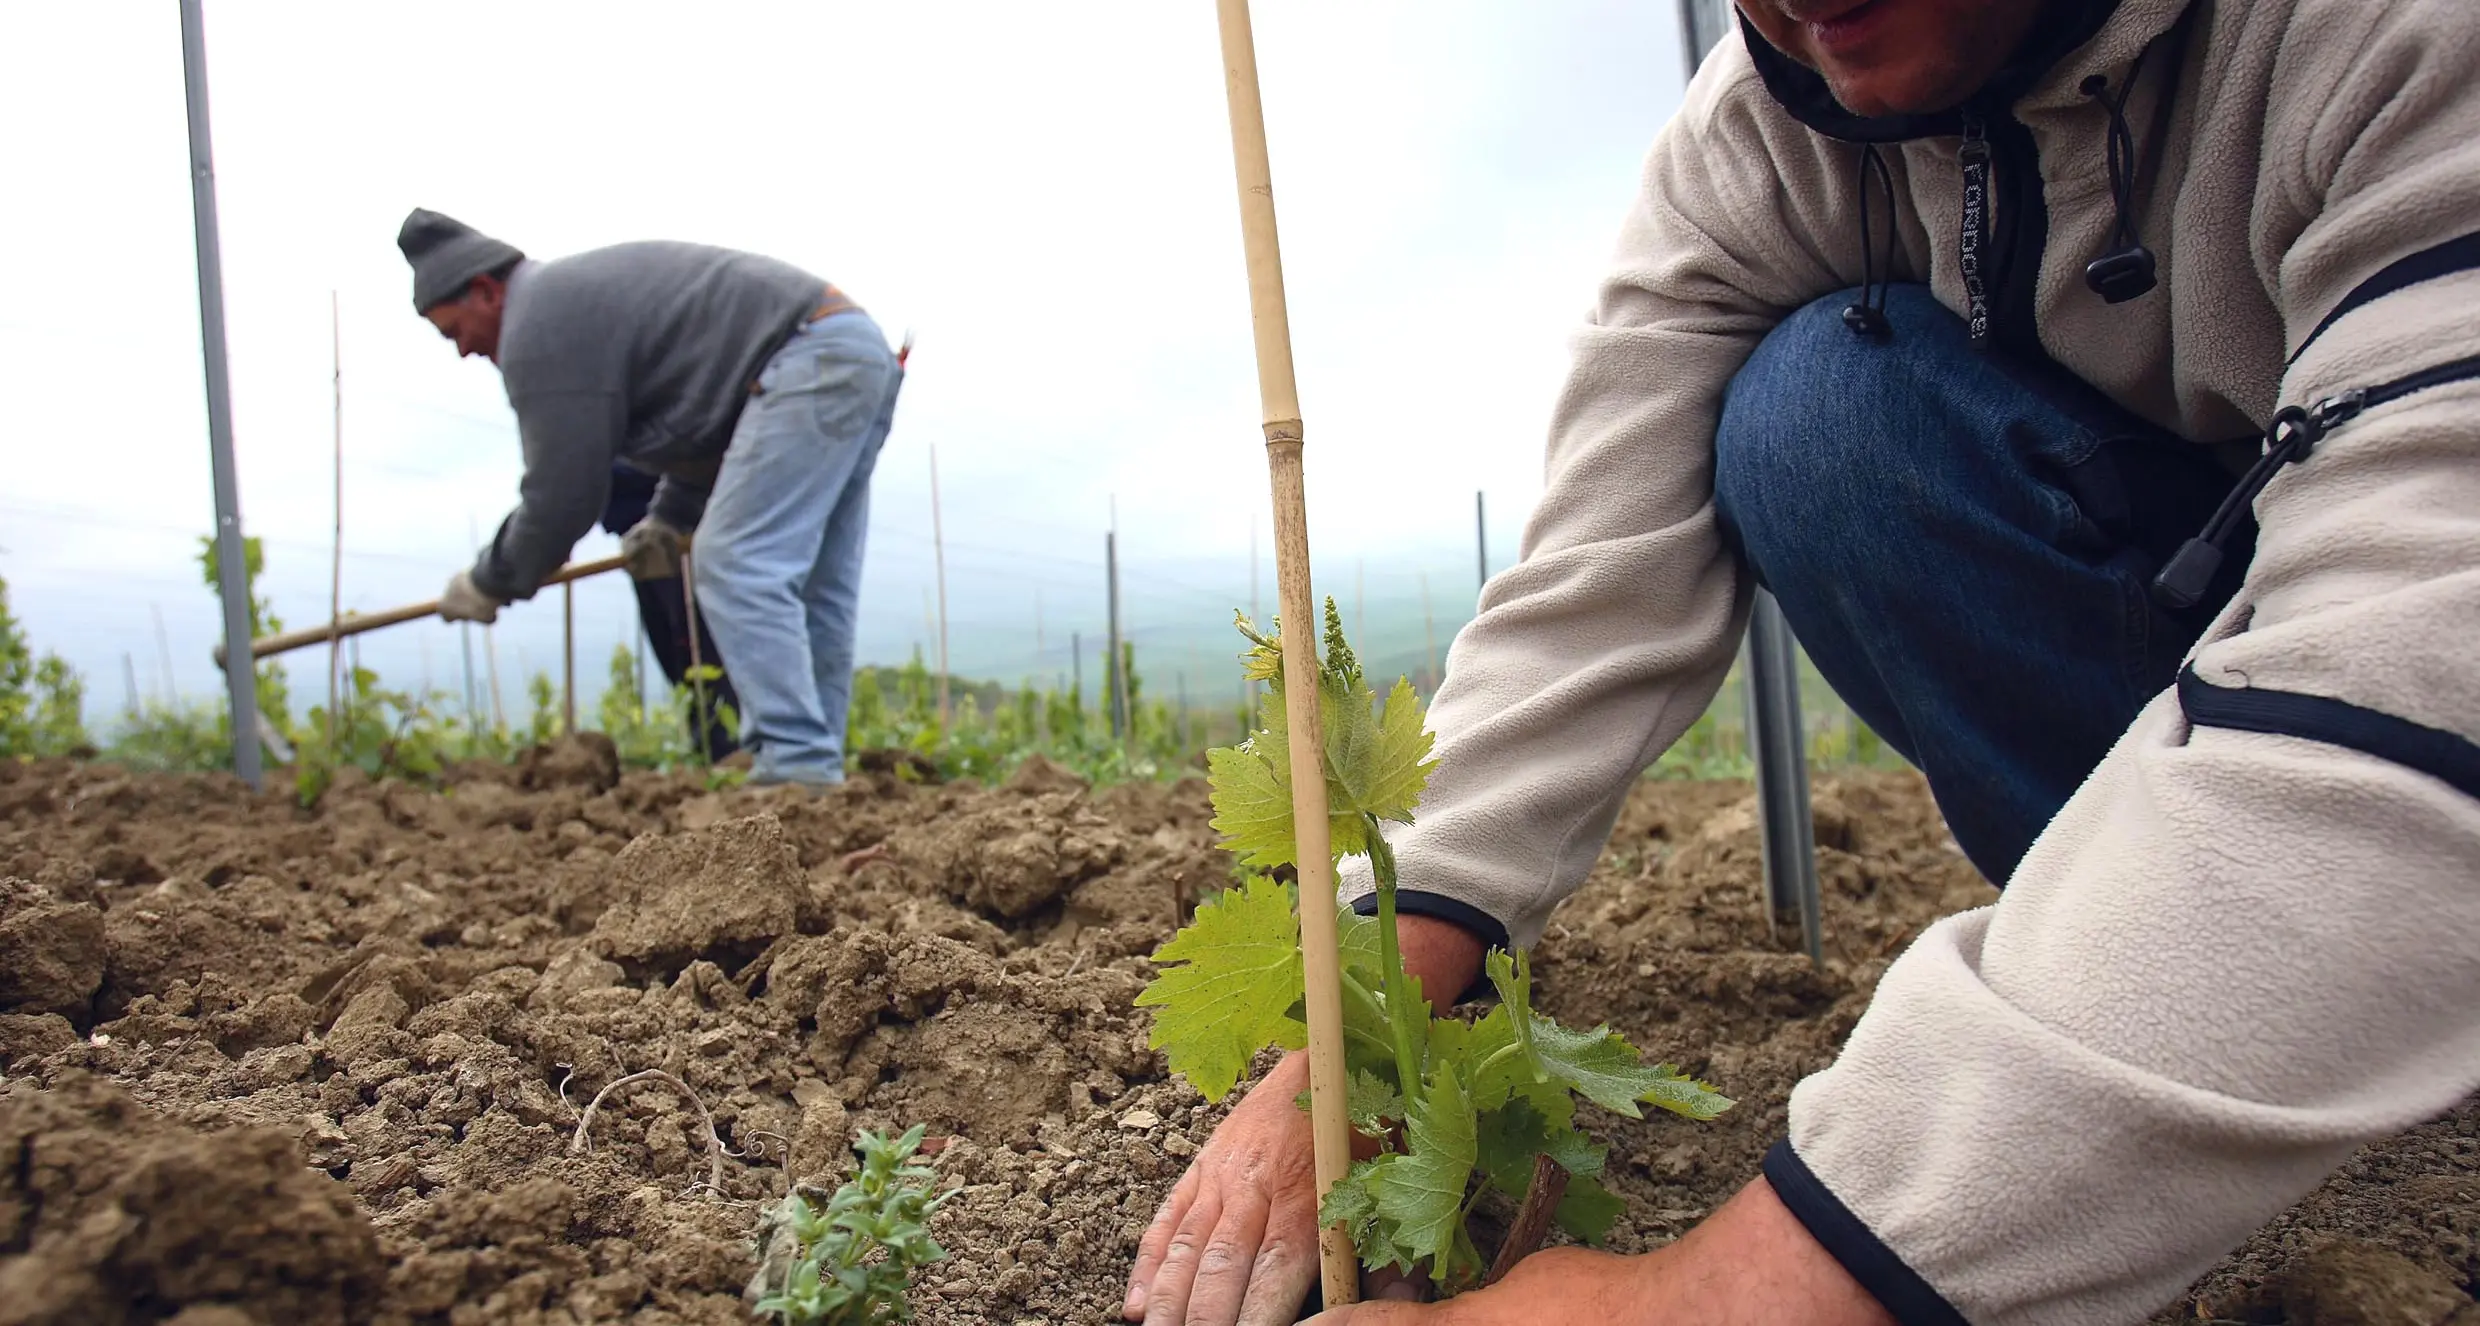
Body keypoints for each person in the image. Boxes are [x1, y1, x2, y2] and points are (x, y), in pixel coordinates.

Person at [1125, 1, 2480, 1324]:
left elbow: (2426, 647)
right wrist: (1362, 1027)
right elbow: (1596, 582)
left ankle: (2248, 989)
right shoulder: (1765, 138)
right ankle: (2162, 979)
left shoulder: (2390, 38)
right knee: (1816, 416)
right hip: (2173, 670)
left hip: (2376, 649)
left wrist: (1726, 1294)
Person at [399, 210, 901, 785]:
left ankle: (794, 764)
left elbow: (563, 495)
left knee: (737, 559)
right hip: (848, 348)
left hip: (807, 357)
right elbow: (709, 419)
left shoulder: (536, 328)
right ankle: (811, 766)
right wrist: (666, 520)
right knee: (816, 584)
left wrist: (492, 580)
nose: (461, 351)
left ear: (485, 291)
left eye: (452, 330)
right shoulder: (575, 307)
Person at [599, 462, 740, 762]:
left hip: (680, 526)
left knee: (702, 655)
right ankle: (712, 755)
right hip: (638, 536)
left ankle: (729, 757)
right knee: (679, 657)